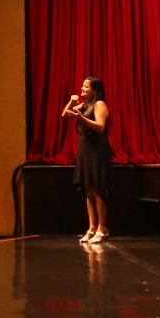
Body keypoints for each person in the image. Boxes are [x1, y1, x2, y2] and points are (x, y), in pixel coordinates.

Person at [62, 77, 113, 245]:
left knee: (98, 188)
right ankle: (92, 228)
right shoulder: (84, 105)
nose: (82, 89)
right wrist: (71, 101)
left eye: (86, 86)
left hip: (97, 150)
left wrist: (81, 118)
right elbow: (64, 114)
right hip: (85, 149)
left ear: (95, 90)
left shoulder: (100, 104)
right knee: (88, 188)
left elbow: (100, 126)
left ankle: (102, 228)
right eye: (82, 86)